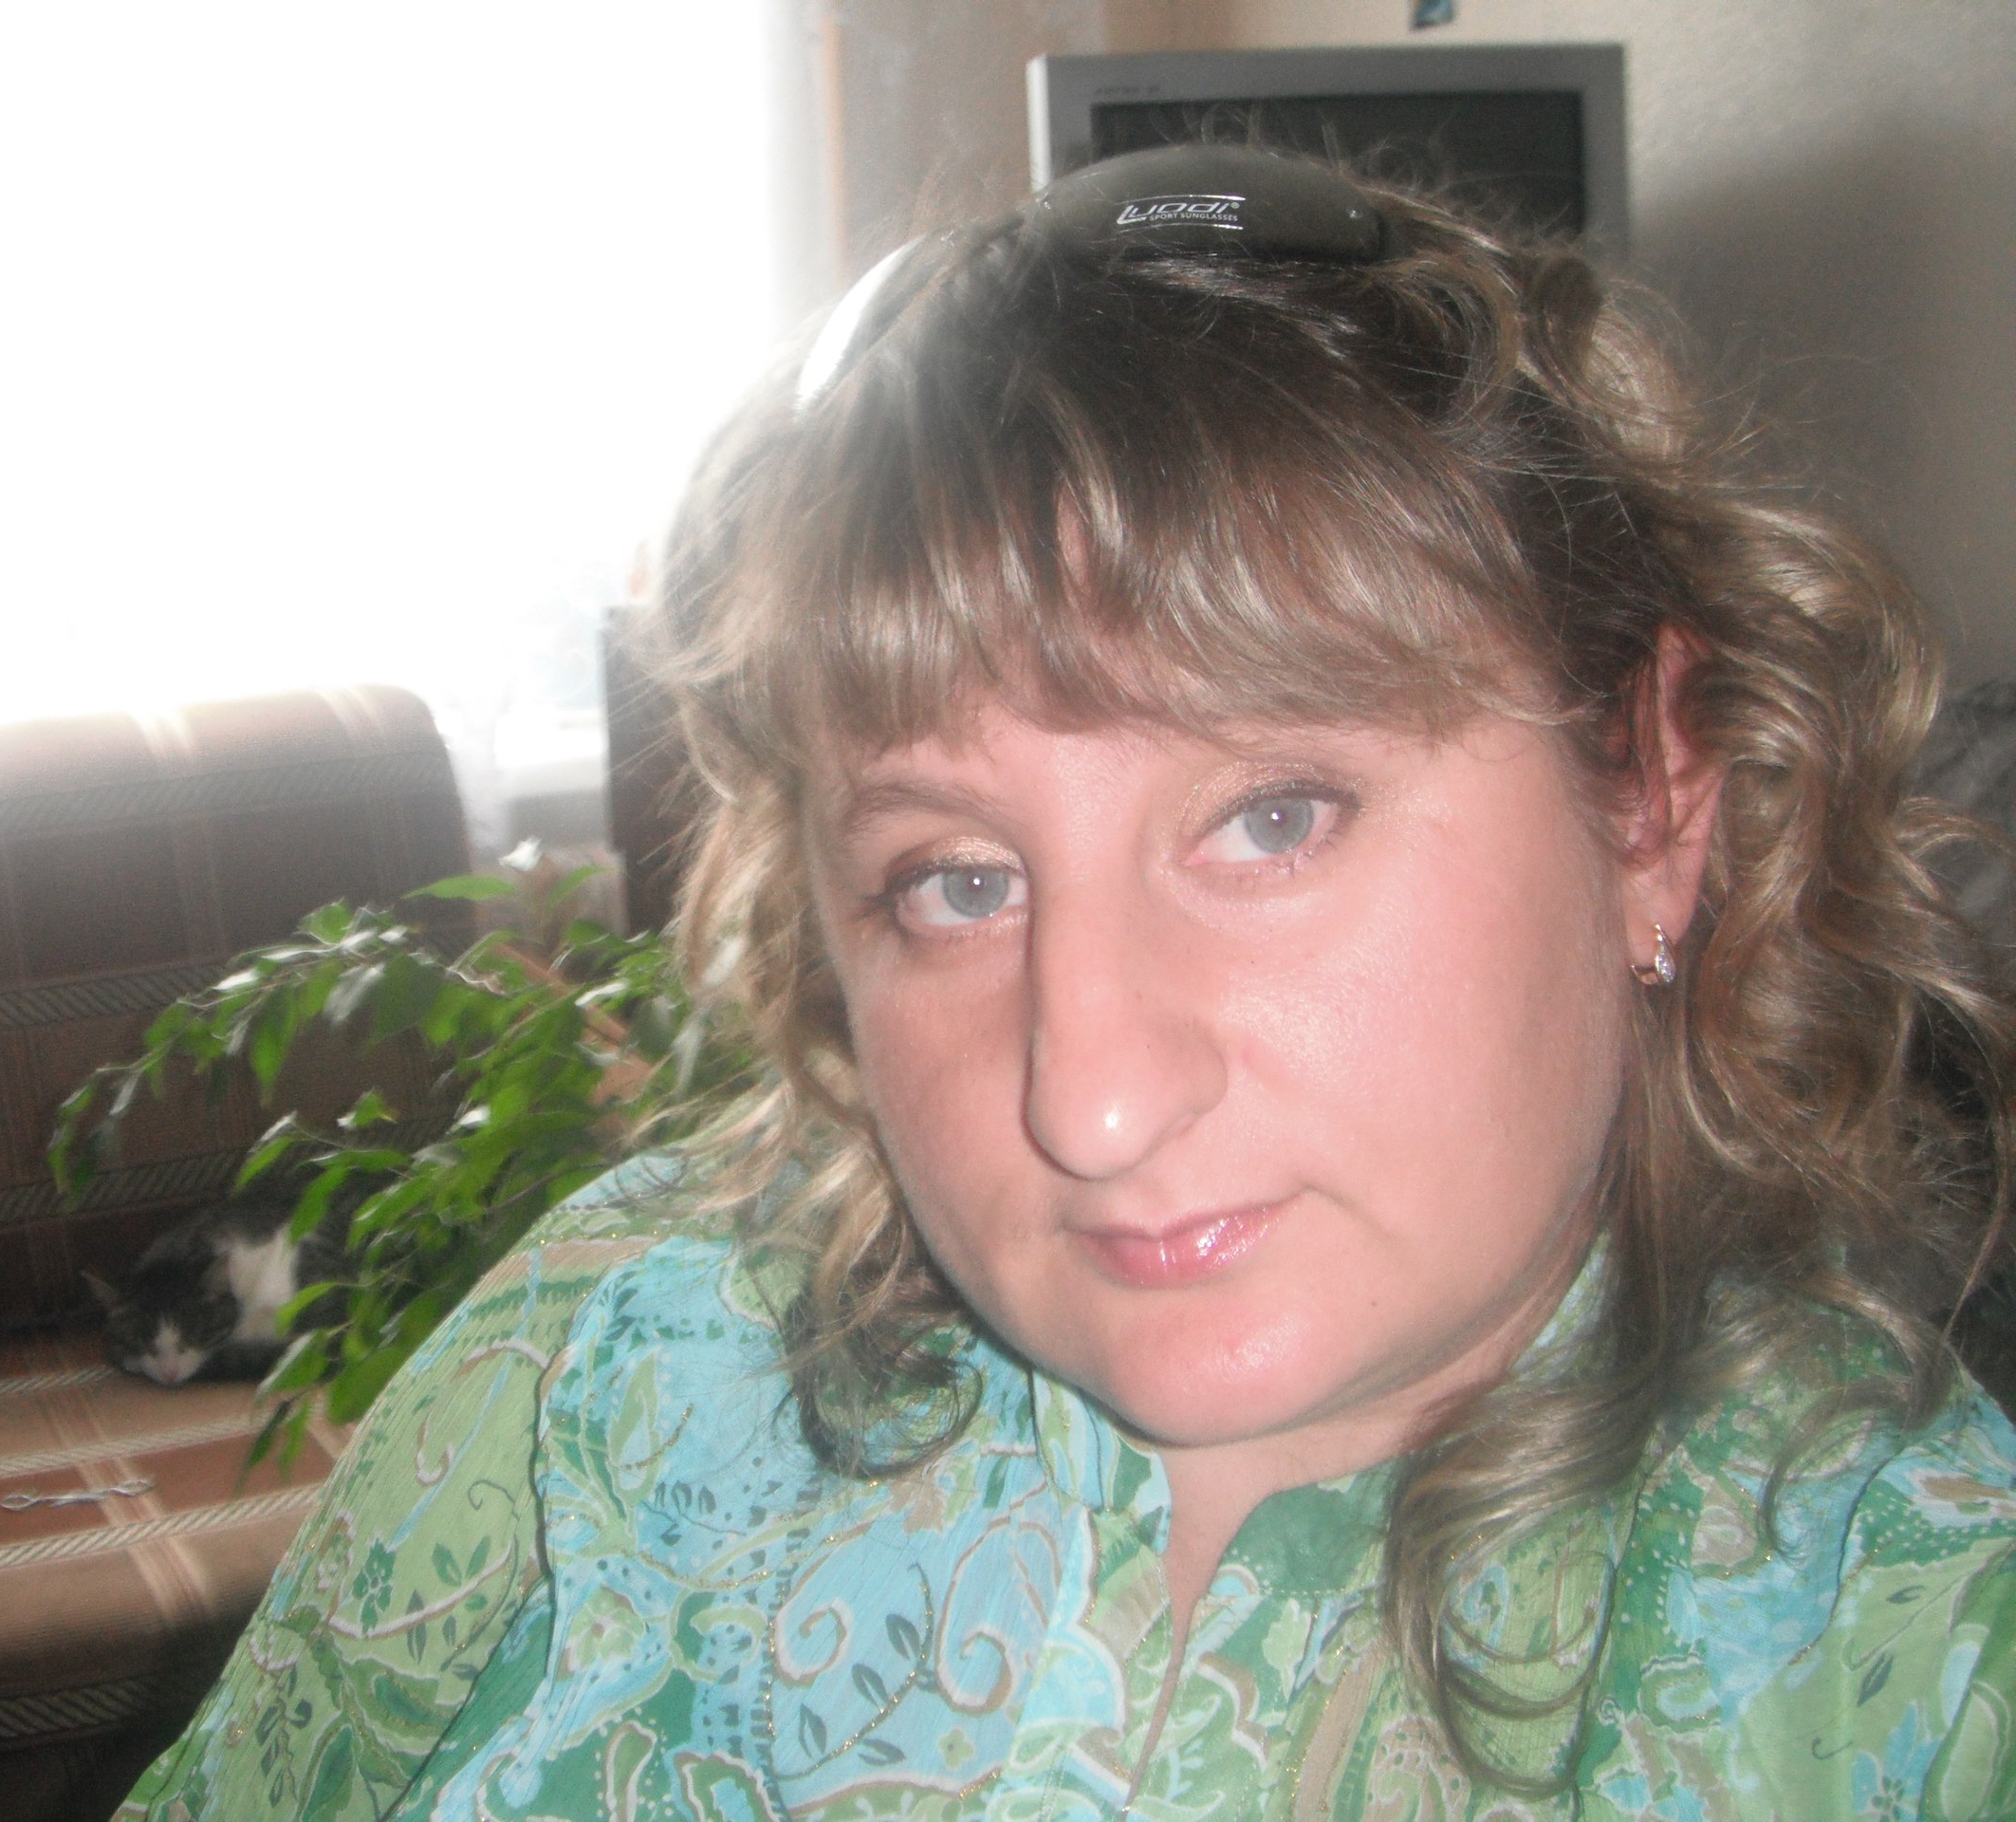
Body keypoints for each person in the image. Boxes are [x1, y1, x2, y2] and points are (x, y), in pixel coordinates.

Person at [117, 146, 2016, 1820]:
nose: (1088, 1100)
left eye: (1270, 818)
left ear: (1652, 795)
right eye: (956, 882)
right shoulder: (601, 1350)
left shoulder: (1917, 1659)